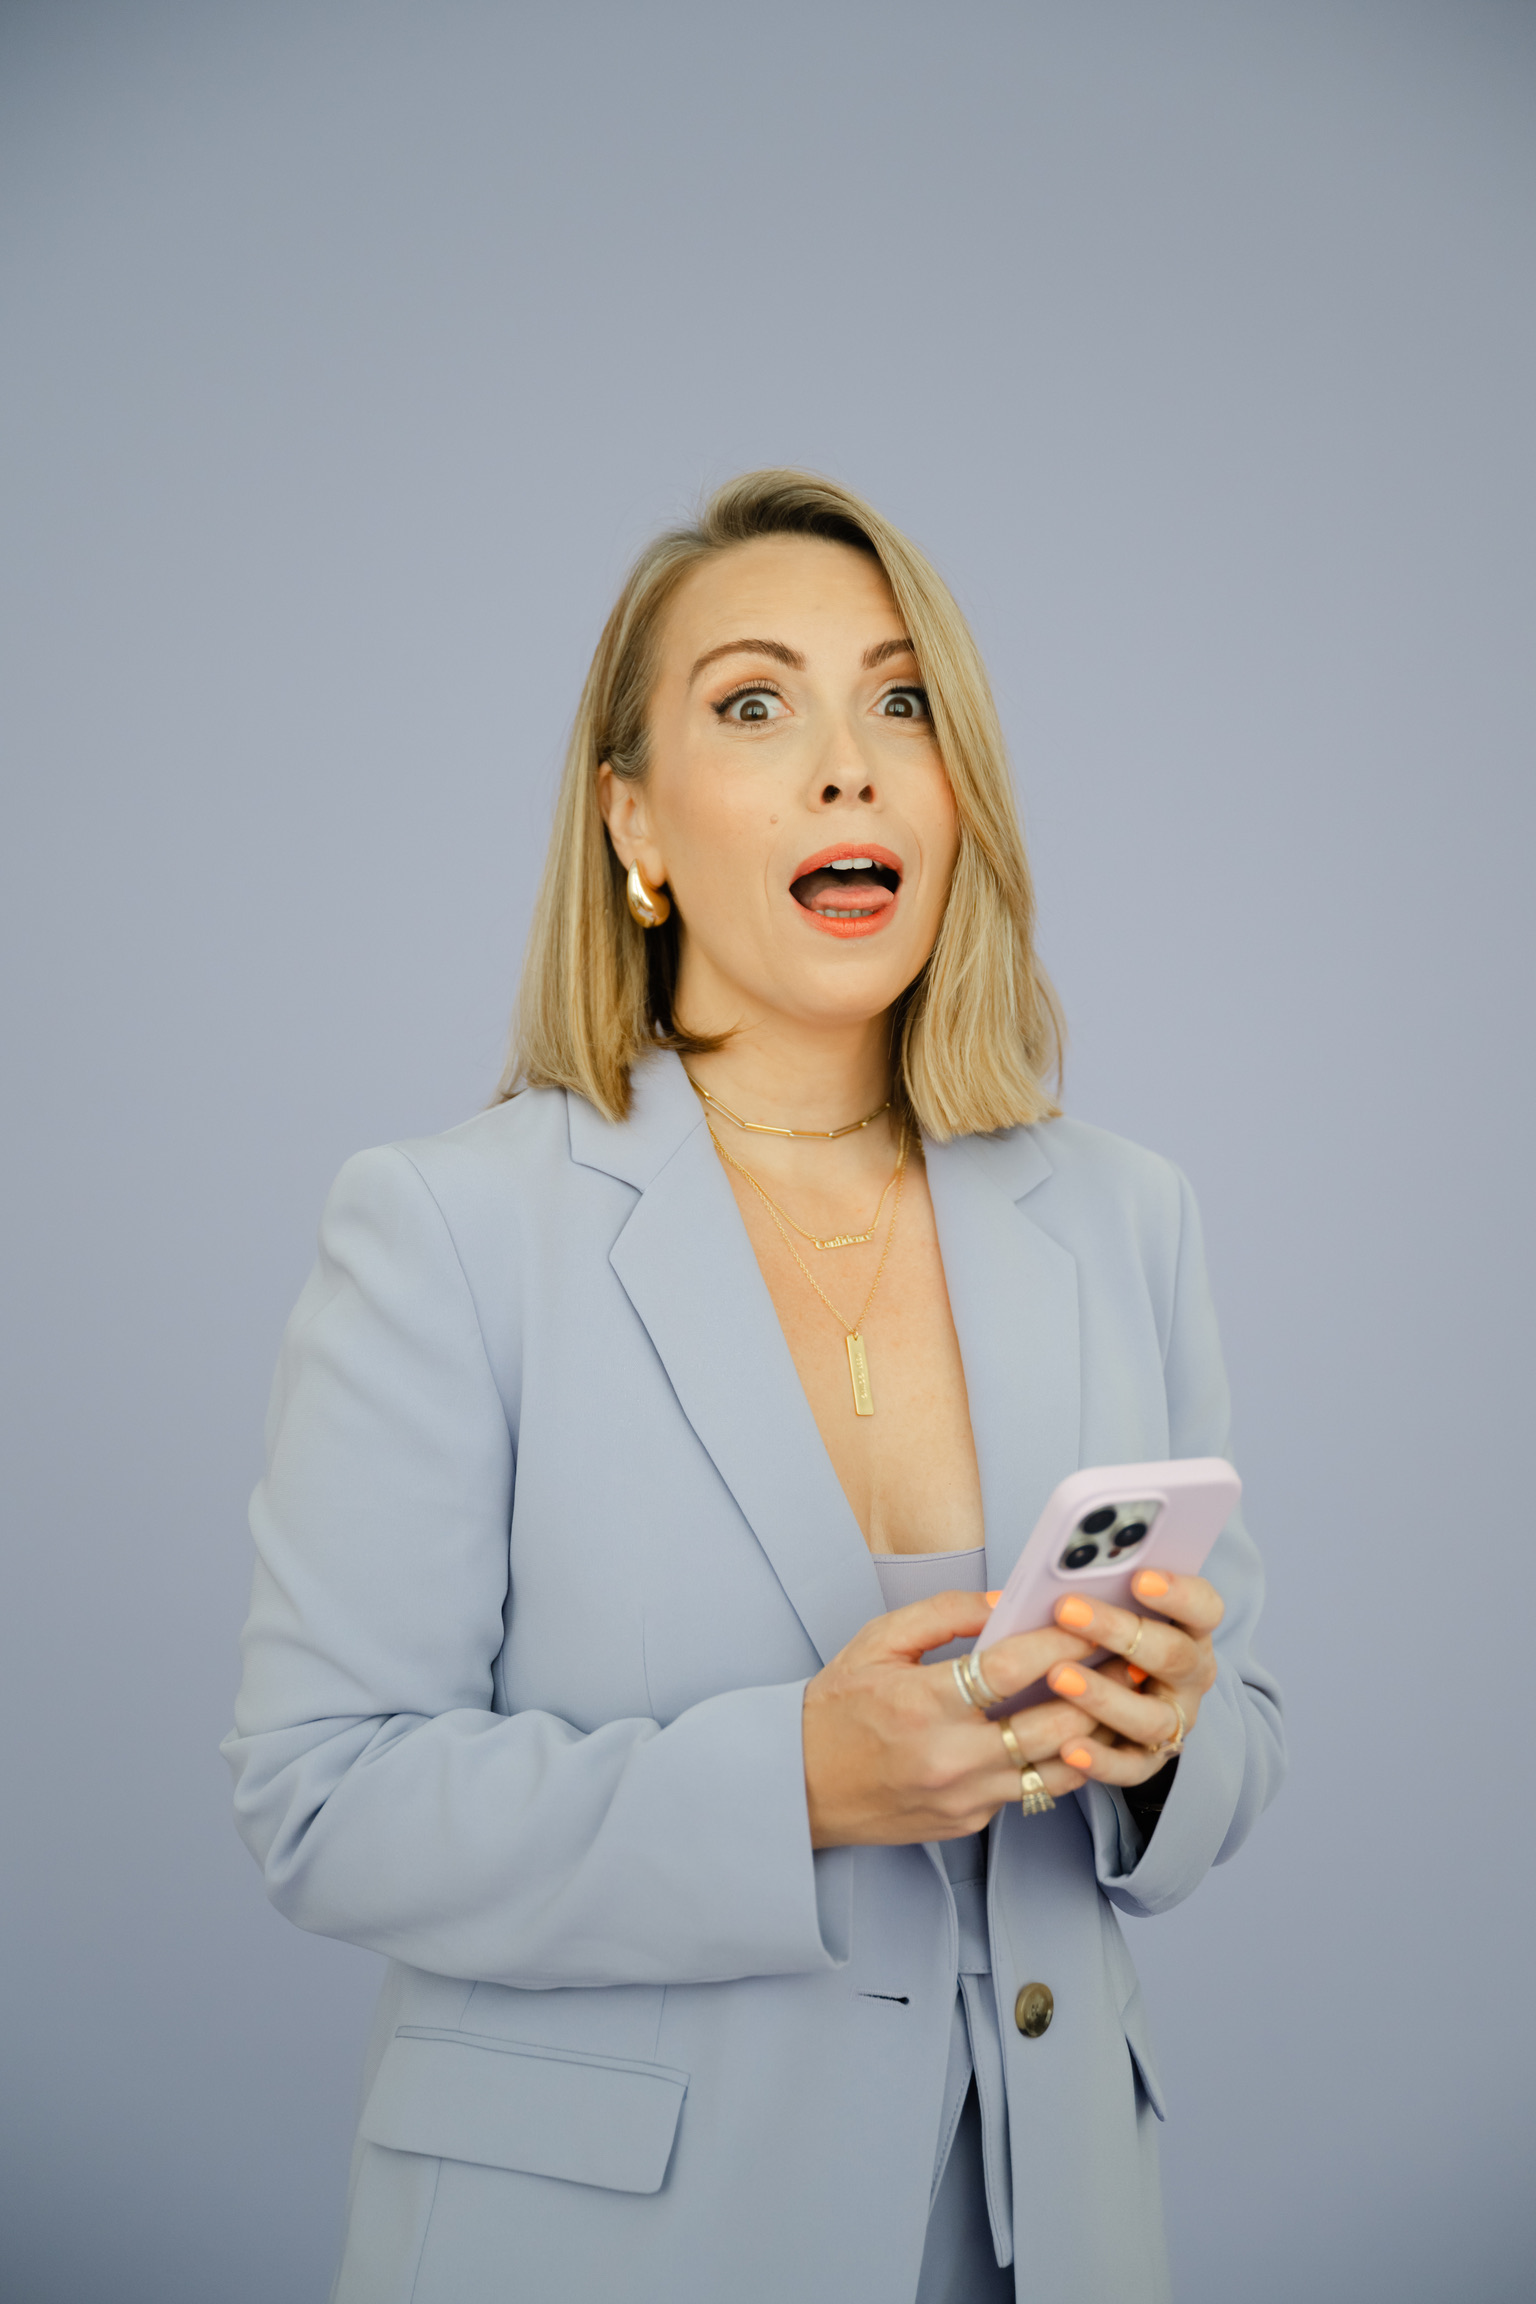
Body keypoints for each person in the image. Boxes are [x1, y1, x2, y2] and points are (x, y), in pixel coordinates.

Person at [224, 470, 1284, 2304]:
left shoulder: (1125, 1216)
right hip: (614, 2246)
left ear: (955, 801)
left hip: (1044, 2238)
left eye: (902, 703)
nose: (849, 765)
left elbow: (1239, 1731)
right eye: (753, 704)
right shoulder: (450, 1229)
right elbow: (324, 1804)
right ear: (634, 822)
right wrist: (791, 1779)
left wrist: (1167, 1735)